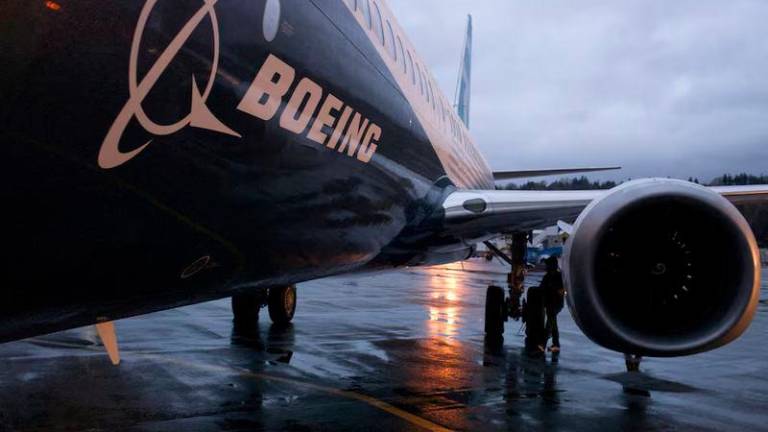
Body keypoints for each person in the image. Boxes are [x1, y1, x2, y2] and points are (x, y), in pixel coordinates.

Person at [541, 256, 565, 353]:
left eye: (548, 265)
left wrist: (555, 290)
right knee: (550, 324)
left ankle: (553, 344)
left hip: (556, 303)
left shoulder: (558, 277)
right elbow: (541, 288)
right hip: (550, 303)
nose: (546, 266)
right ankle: (546, 344)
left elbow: (562, 291)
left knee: (552, 322)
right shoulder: (547, 277)